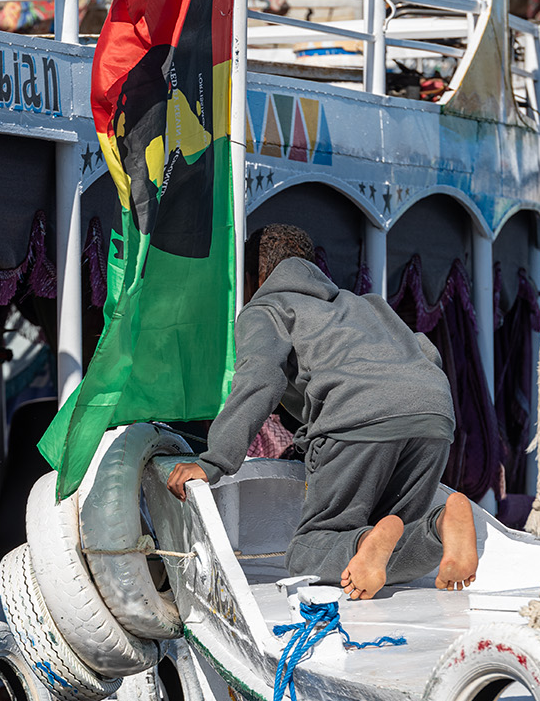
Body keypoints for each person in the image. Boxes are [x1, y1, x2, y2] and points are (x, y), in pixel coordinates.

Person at [167, 224, 478, 600]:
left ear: (253, 277)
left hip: (357, 413)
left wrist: (215, 460)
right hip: (433, 412)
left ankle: (366, 542)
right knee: (398, 534)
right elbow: (426, 352)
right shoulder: (365, 305)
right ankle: (443, 523)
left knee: (309, 550)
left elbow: (261, 377)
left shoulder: (267, 308)